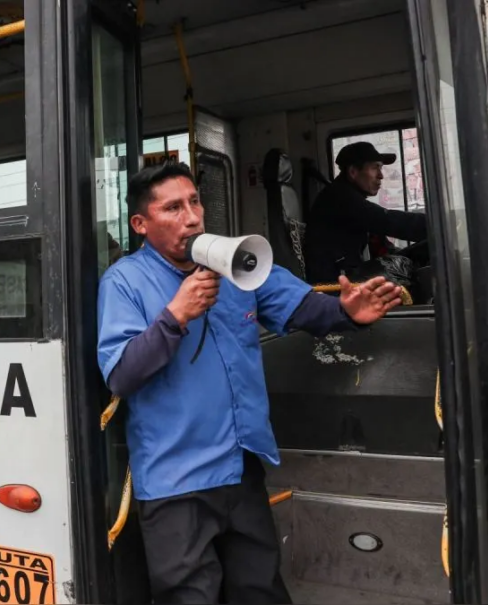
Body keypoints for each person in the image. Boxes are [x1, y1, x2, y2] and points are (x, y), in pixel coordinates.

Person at [96, 162, 405, 604]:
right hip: (175, 478)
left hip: (239, 466)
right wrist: (175, 315)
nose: (192, 217)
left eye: (194, 202)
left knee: (259, 588)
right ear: (141, 224)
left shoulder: (231, 260)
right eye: (173, 208)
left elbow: (299, 307)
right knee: (190, 595)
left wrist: (345, 312)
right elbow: (123, 375)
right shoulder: (124, 282)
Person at [303, 141, 428, 284]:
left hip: (345, 274)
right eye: (375, 168)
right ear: (353, 172)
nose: (381, 175)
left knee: (420, 253)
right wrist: (435, 225)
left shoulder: (346, 196)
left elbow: (380, 233)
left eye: (381, 168)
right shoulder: (340, 197)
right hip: (335, 284)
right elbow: (385, 220)